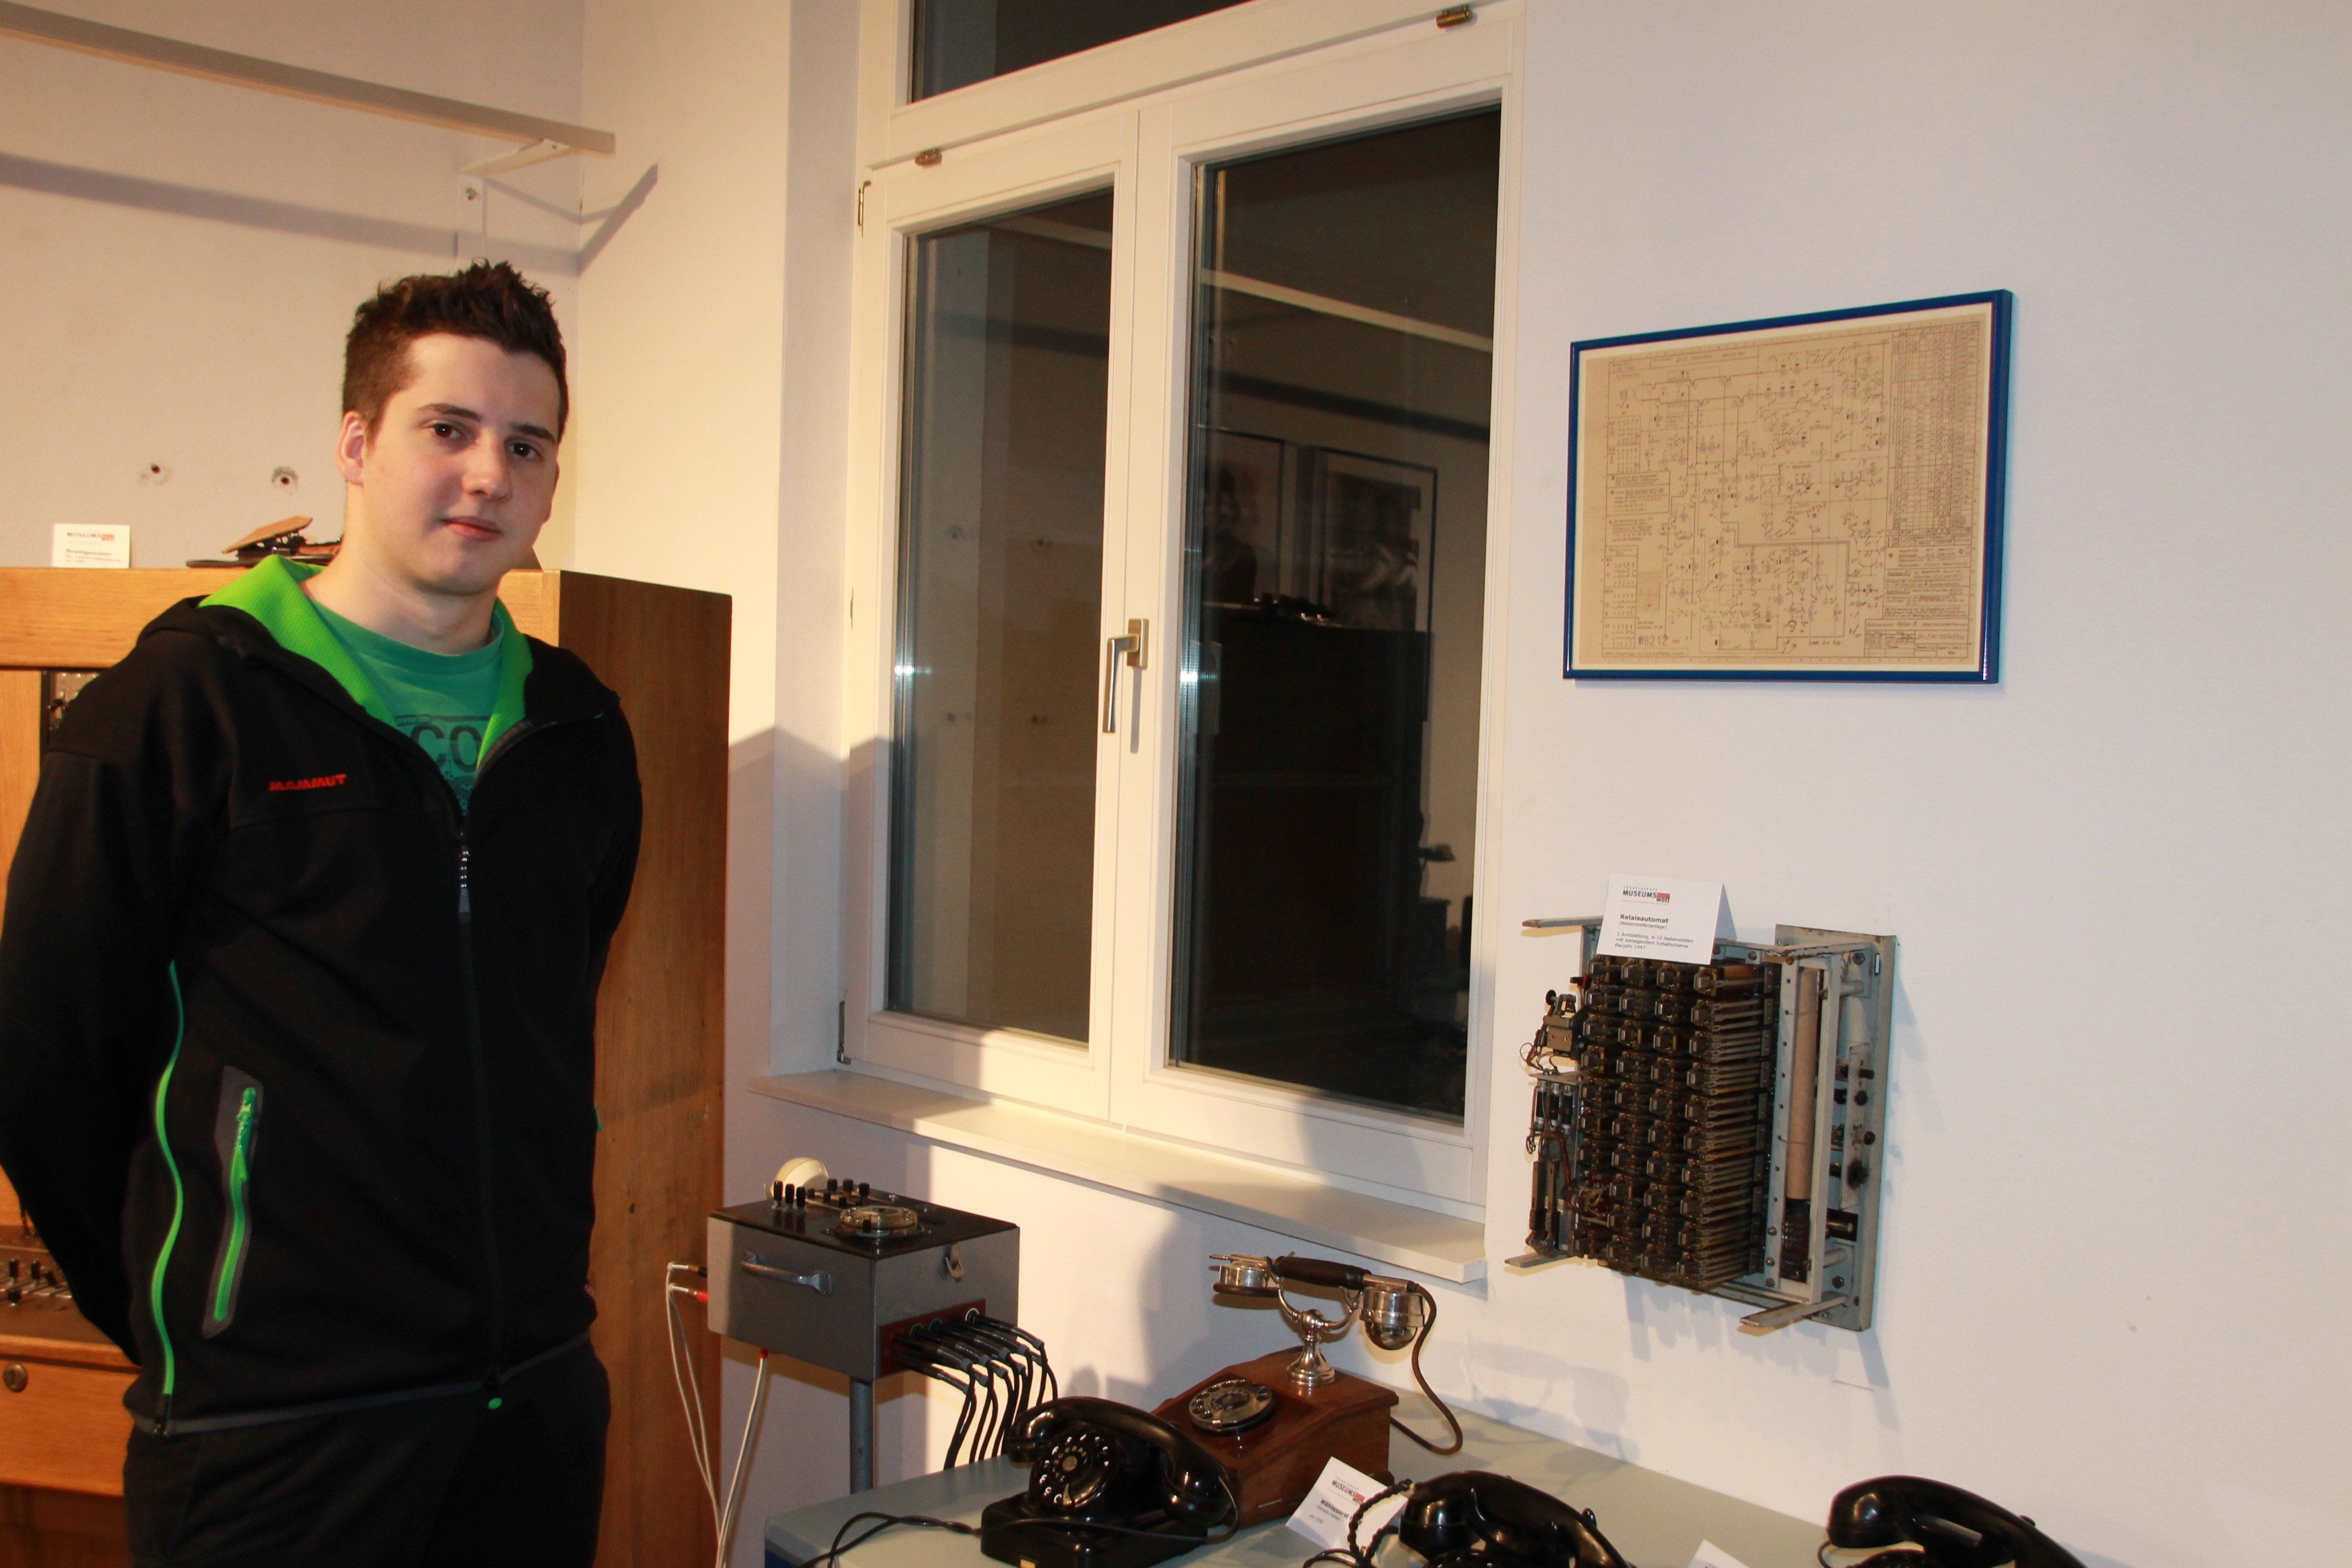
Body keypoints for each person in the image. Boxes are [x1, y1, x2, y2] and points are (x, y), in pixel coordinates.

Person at [0, 262, 641, 1566]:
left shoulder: (580, 728)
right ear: (355, 444)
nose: (488, 474)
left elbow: (554, 1010)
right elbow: (47, 1059)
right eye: (448, 428)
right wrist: (199, 1328)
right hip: (272, 1437)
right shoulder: (187, 704)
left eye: (526, 444)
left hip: (528, 1406)